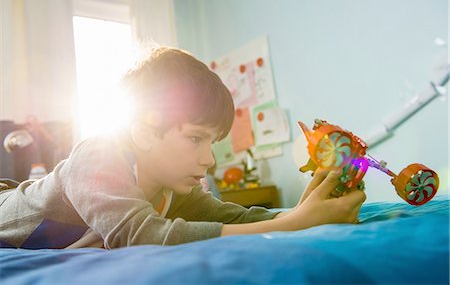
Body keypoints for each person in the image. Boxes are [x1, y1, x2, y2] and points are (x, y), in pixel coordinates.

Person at [0, 47, 365, 249]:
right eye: (195, 138)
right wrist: (296, 224)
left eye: (212, 142)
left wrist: (308, 207)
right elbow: (139, 236)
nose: (209, 159)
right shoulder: (98, 155)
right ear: (143, 130)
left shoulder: (174, 187)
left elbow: (236, 218)